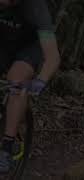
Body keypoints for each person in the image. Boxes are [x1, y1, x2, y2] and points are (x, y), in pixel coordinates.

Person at [0, 0, 61, 172]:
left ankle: (7, 147)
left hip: (29, 47)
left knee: (17, 79)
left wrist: (40, 81)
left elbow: (52, 57)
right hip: (3, 44)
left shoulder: (36, 7)